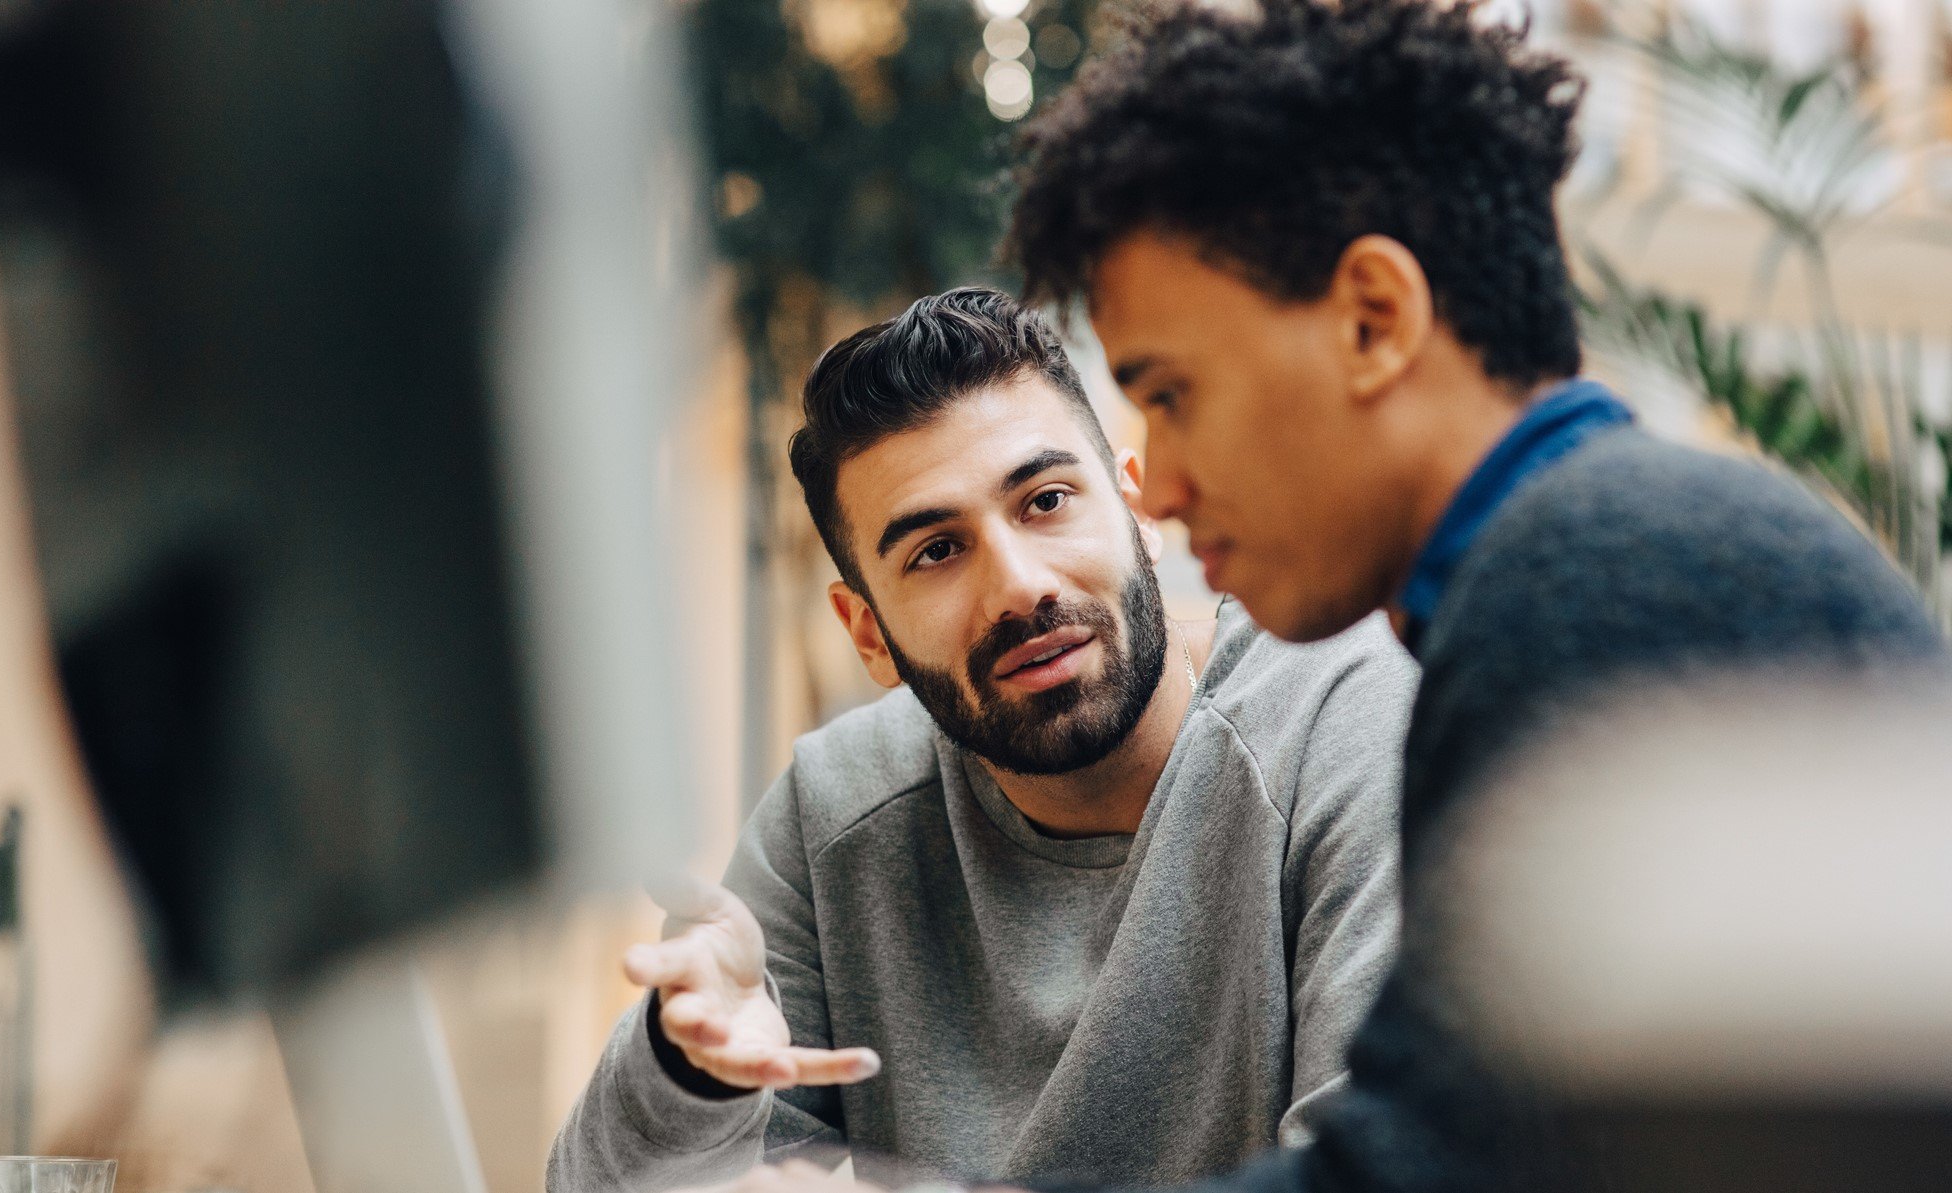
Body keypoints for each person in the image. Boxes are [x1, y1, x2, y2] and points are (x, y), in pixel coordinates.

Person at [690, 2, 1952, 1192]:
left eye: (1173, 391)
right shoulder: (1587, 557)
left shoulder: (1592, 595)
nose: (1163, 487)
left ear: (1370, 319)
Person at [545, 288, 1416, 1192]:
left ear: (1135, 508)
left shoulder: (1344, 719)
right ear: (868, 633)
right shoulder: (836, 811)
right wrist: (686, 1078)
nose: (1018, 585)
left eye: (1045, 500)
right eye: (935, 552)